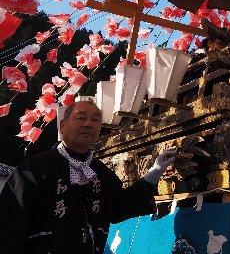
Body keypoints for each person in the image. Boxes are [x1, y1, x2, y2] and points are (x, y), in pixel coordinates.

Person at [0, 99, 176, 254]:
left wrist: (154, 172)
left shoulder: (101, 174)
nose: (88, 124)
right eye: (81, 117)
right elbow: (9, 224)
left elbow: (121, 206)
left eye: (95, 120)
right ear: (62, 125)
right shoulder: (35, 169)